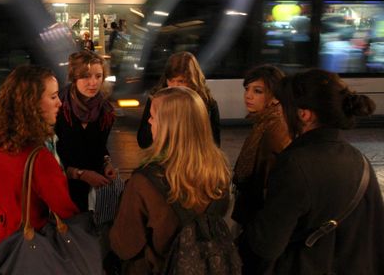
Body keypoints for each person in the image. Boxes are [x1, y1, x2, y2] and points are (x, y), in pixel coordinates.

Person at [240, 69, 384, 274]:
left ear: (304, 114)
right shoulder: (360, 162)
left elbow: (266, 245)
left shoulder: (295, 164)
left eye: (284, 107)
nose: (281, 112)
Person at [110, 87, 232, 274]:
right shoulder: (219, 173)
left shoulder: (145, 181)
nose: (149, 121)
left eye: (152, 116)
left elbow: (124, 245)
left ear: (168, 125)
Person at [0, 65, 78, 245]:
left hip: (4, 243)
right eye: (53, 97)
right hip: (33, 249)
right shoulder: (38, 158)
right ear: (32, 104)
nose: (60, 102)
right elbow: (66, 212)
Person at [55, 50, 117, 211]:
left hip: (94, 191)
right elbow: (50, 155)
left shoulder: (106, 111)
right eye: (86, 76)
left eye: (98, 76)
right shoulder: (59, 108)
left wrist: (107, 163)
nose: (93, 82)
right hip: (61, 190)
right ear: (74, 77)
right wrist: (81, 174)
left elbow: (100, 147)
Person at [231, 65, 290, 228]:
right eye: (247, 89)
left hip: (258, 213)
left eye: (258, 91)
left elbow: (272, 181)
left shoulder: (275, 129)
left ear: (276, 97)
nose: (248, 96)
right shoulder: (263, 121)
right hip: (252, 206)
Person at [137, 51, 221, 148]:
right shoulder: (156, 100)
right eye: (171, 81)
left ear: (192, 80)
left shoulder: (207, 103)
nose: (175, 86)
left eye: (181, 81)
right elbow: (143, 140)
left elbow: (214, 144)